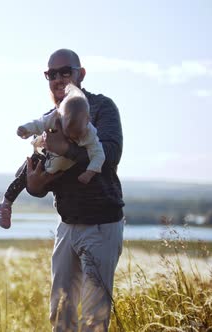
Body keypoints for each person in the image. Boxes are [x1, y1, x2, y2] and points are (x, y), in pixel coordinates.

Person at [25, 49, 125, 332]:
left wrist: (66, 148)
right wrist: (34, 187)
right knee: (60, 315)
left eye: (64, 72)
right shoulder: (49, 119)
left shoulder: (102, 107)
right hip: (66, 226)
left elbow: (111, 155)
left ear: (80, 74)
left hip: (101, 224)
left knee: (94, 318)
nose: (57, 79)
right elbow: (38, 177)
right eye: (51, 74)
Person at [0, 83, 105, 229]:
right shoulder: (54, 117)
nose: (73, 137)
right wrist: (25, 129)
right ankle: (5, 204)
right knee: (24, 177)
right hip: (46, 156)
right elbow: (39, 124)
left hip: (61, 169)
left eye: (77, 134)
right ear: (60, 116)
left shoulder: (90, 133)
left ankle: (26, 169)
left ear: (87, 121)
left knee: (53, 181)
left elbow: (99, 154)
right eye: (68, 131)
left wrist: (90, 172)